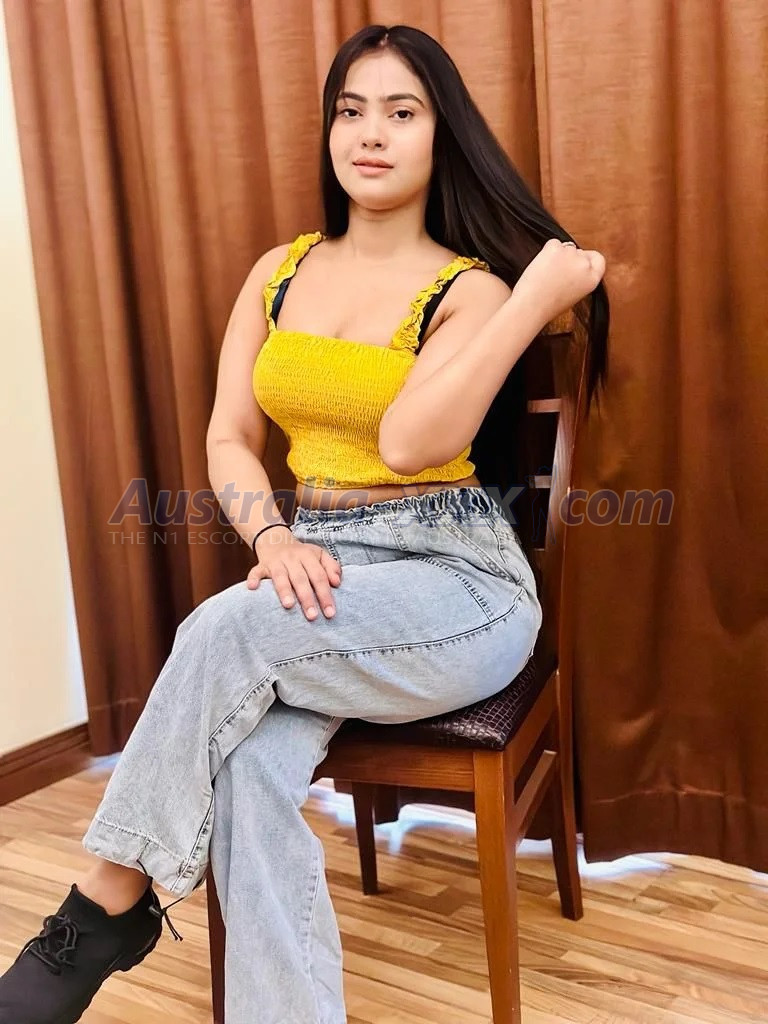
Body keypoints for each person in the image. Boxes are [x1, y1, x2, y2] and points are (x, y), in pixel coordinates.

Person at [0, 22, 607, 1024]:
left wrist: (532, 297)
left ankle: (102, 903)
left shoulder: (472, 289)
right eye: (350, 110)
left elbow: (409, 442)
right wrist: (273, 539)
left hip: (456, 584)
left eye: (401, 112)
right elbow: (230, 438)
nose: (370, 133)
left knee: (222, 628)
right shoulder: (278, 273)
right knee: (246, 765)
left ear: (441, 135)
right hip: (319, 565)